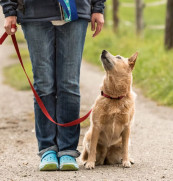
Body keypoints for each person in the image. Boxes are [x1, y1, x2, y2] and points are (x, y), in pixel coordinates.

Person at [0, 0, 106, 171]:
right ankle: (47, 149)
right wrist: (9, 10)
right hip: (35, 13)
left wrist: (98, 7)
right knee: (43, 85)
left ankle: (68, 150)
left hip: (76, 12)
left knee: (69, 84)